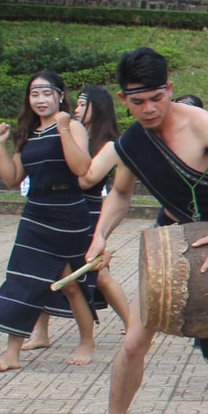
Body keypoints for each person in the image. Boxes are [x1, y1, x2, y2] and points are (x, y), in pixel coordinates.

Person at [83, 48, 208, 414]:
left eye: (155, 98)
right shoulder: (132, 143)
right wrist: (99, 236)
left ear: (169, 90)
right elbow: (121, 194)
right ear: (124, 99)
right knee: (132, 342)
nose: (147, 109)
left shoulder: (203, 124)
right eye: (137, 101)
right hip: (172, 244)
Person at [0, 71, 99, 371]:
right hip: (36, 211)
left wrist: (63, 129)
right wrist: (0, 144)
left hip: (68, 213)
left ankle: (87, 341)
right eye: (35, 94)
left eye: (47, 93)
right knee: (24, 278)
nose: (41, 99)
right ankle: (12, 353)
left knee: (70, 284)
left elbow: (82, 167)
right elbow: (12, 179)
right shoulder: (28, 133)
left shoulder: (72, 126)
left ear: (60, 95)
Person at [58, 87, 134, 338]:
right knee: (51, 270)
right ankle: (40, 333)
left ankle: (134, 324)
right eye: (76, 104)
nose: (76, 110)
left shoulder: (110, 144)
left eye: (82, 104)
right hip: (62, 209)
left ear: (98, 107)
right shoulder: (75, 137)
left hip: (89, 212)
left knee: (99, 273)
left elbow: (87, 180)